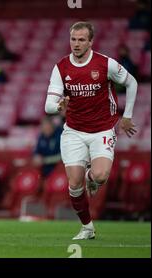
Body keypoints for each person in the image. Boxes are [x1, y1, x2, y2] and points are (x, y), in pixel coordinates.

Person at [45, 22, 138, 240]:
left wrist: (127, 116)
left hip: (102, 129)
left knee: (101, 176)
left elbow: (132, 83)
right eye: (73, 39)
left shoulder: (106, 64)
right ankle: (87, 227)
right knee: (75, 184)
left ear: (90, 42)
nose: (76, 44)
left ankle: (92, 177)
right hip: (74, 131)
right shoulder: (61, 67)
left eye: (81, 40)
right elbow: (49, 105)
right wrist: (59, 106)